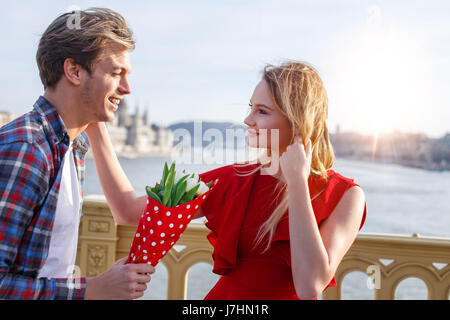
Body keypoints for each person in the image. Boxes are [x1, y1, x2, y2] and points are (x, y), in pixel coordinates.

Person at [85, 61, 367, 300]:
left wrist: (297, 183)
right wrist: (96, 127)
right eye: (250, 107)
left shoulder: (346, 195)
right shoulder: (234, 178)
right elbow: (127, 211)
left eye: (262, 111)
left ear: (297, 121)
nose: (247, 119)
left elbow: (310, 285)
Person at [0, 8, 154, 300]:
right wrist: (93, 289)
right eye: (115, 73)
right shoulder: (28, 150)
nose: (127, 88)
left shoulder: (72, 147)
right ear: (73, 71)